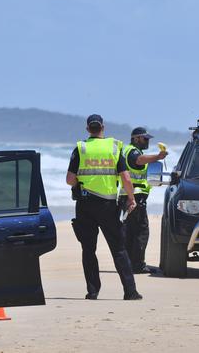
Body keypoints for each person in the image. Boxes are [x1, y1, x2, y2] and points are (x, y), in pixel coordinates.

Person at [66, 114, 142, 300]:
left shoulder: (81, 148)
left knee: (88, 249)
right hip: (108, 206)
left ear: (87, 129)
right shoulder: (114, 147)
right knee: (118, 249)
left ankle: (93, 291)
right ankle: (130, 292)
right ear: (103, 127)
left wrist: (80, 184)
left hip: (84, 205)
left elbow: (69, 180)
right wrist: (131, 199)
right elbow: (125, 178)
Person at [118, 127, 168, 274]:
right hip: (134, 197)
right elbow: (138, 161)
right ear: (136, 138)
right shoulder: (133, 152)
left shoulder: (127, 150)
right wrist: (158, 157)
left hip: (129, 196)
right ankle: (138, 265)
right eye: (145, 138)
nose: (147, 141)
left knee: (130, 233)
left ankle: (129, 264)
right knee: (141, 232)